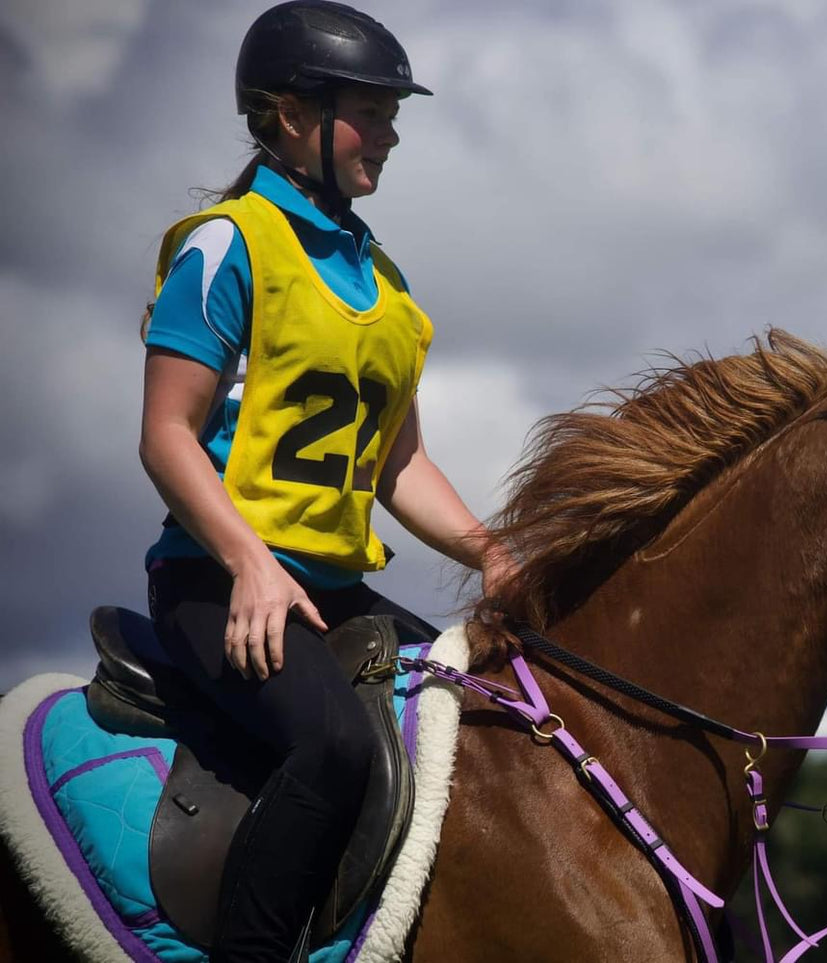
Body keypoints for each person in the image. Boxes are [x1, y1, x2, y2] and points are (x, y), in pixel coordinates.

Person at [138, 3, 510, 959]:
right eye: (372, 110)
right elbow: (167, 435)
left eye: (394, 114)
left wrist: (492, 553)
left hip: (333, 592)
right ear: (293, 114)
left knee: (498, 708)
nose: (390, 134)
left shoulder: (387, 285)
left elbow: (401, 464)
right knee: (336, 747)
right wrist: (252, 564)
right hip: (218, 585)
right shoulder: (227, 244)